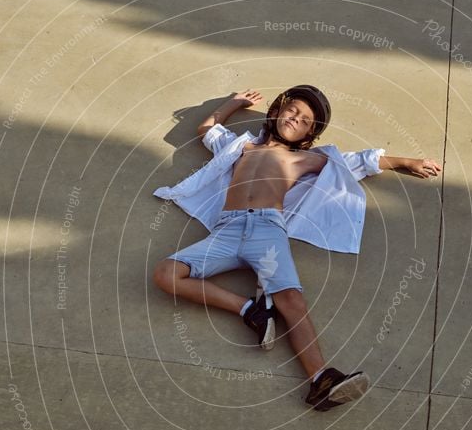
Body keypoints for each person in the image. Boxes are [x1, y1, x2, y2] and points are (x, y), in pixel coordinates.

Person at [153, 86, 441, 411]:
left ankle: (321, 380)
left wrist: (407, 161)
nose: (295, 119)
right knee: (166, 273)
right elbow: (207, 129)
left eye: (305, 120)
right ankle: (251, 311)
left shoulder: (303, 159)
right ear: (278, 110)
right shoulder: (242, 147)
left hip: (267, 231)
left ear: (308, 133)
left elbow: (355, 162)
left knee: (291, 299)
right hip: (228, 230)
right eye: (293, 111)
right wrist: (235, 102)